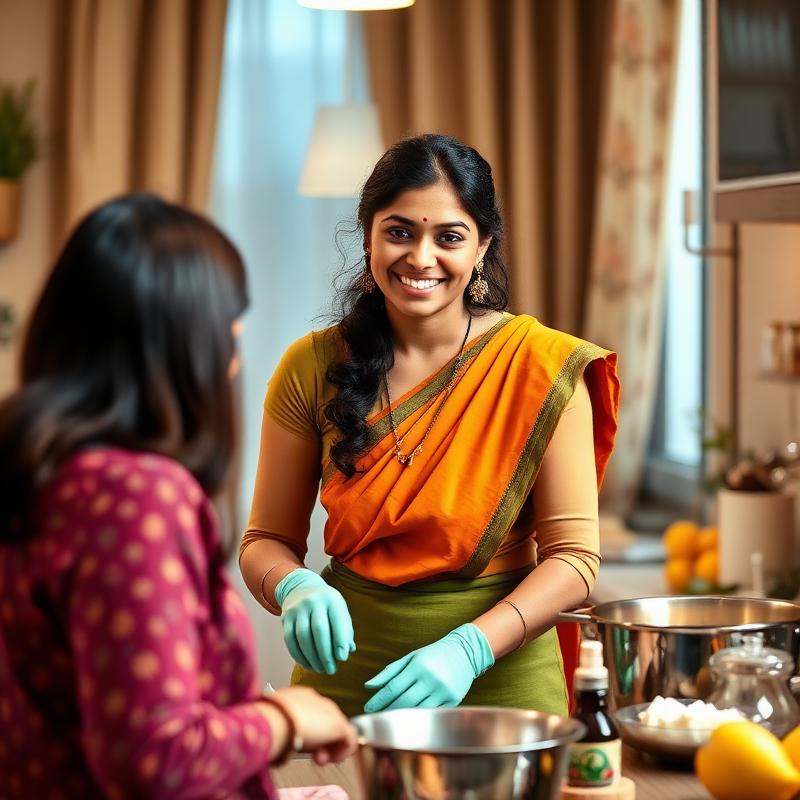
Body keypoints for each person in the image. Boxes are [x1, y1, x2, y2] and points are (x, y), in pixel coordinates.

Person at [240, 134, 620, 719]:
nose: (421, 257)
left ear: (481, 246)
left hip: (501, 690)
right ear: (367, 236)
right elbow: (264, 541)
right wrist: (293, 585)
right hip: (345, 689)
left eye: (448, 237)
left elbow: (574, 560)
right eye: (399, 232)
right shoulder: (312, 366)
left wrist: (471, 649)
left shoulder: (541, 368)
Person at [0, 194, 356, 800]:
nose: (232, 365)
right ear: (186, 352)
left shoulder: (42, 470)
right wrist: (285, 719)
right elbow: (154, 757)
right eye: (230, 340)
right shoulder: (133, 498)